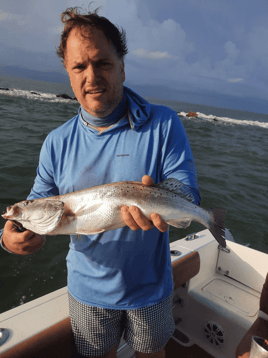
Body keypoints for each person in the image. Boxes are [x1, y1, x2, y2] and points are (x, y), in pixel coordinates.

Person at [1, 7, 200, 358]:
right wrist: (13, 233)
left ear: (121, 67)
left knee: (152, 354)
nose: (91, 76)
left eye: (102, 63)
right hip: (86, 290)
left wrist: (162, 201)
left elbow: (186, 192)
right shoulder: (56, 143)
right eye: (79, 67)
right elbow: (38, 202)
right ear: (68, 73)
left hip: (150, 288)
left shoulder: (165, 124)